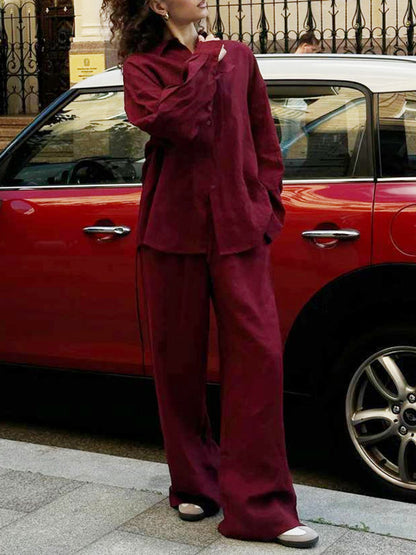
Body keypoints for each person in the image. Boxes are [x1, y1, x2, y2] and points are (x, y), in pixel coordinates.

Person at [100, 0, 319, 548]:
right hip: (172, 230)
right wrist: (204, 63)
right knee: (178, 361)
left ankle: (262, 507)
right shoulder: (142, 67)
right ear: (158, 4)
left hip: (238, 229)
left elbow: (264, 136)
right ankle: (194, 483)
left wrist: (266, 204)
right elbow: (172, 121)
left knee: (260, 358)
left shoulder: (239, 57)